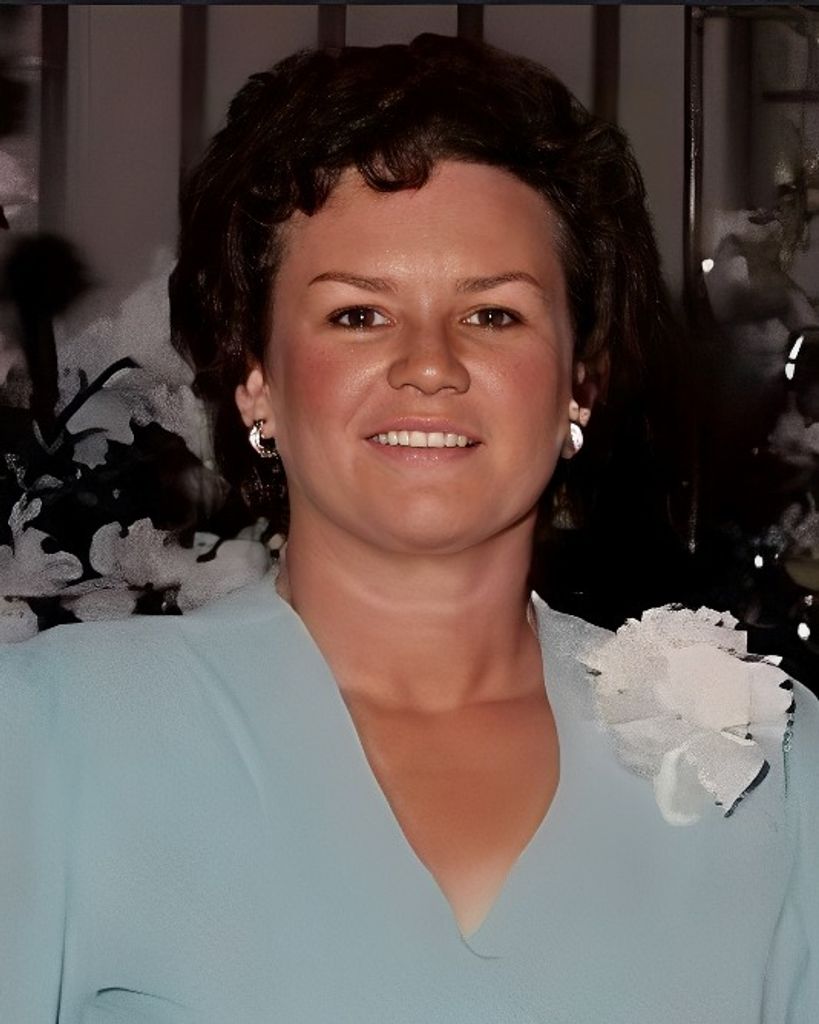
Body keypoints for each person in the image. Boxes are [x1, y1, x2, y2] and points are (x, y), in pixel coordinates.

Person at [1, 33, 817, 1023]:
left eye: (494, 315)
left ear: (580, 379)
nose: (429, 364)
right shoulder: (51, 738)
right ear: (255, 375)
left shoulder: (770, 764)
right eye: (358, 315)